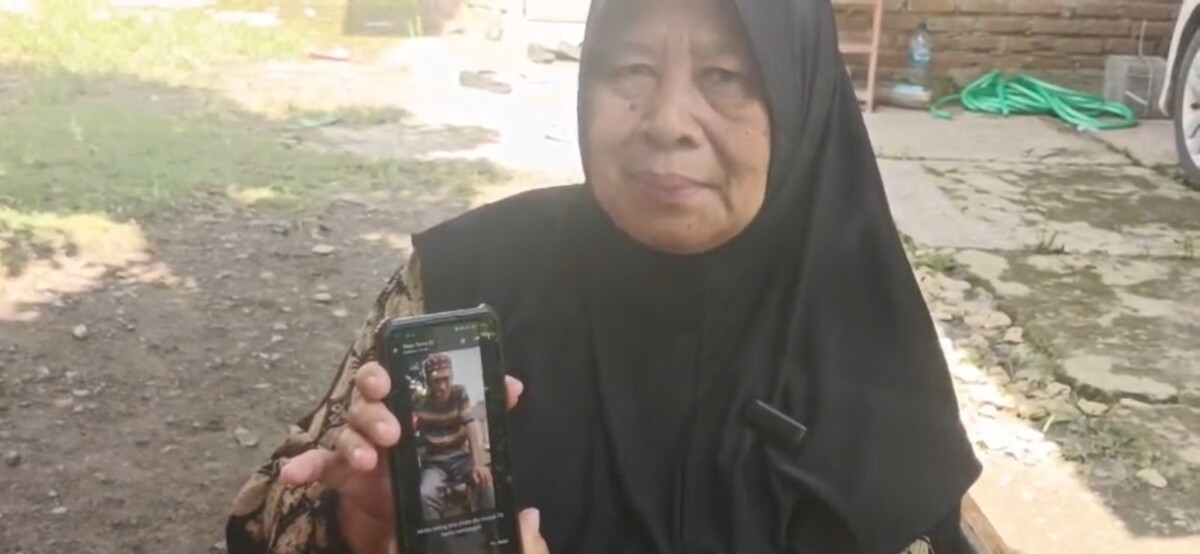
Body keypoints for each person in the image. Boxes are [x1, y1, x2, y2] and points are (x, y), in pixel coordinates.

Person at [226, 0, 981, 552]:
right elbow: (268, 519)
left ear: (801, 95)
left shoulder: (865, 349)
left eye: (724, 74)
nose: (667, 121)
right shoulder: (466, 277)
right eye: (631, 69)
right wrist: (360, 528)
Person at [412, 353, 495, 521]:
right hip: (434, 464)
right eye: (436, 381)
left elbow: (470, 425)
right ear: (428, 382)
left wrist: (479, 464)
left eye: (446, 379)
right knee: (425, 495)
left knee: (486, 482)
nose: (442, 386)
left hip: (461, 457)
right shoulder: (419, 401)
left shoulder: (459, 393)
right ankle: (438, 536)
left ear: (452, 377)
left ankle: (492, 531)